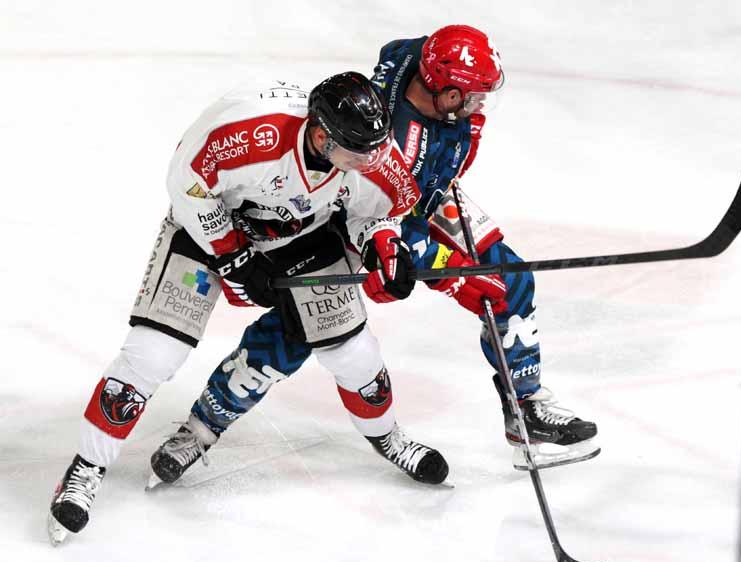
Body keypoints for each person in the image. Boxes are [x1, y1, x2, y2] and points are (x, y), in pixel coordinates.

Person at [148, 25, 599, 484]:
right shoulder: (398, 144)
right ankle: (203, 426)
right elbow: (390, 222)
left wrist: (448, 153)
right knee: (298, 329)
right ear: (446, 94)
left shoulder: (421, 68)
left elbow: (406, 51)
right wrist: (455, 276)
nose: (480, 107)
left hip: (424, 196)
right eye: (473, 98)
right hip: (361, 221)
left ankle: (527, 408)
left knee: (513, 279)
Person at [48, 72, 445, 546]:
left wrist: (383, 245)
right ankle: (86, 467)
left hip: (302, 235)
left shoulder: (369, 150)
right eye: (358, 154)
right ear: (321, 136)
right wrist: (231, 252)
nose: (372, 162)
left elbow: (378, 211)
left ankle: (388, 437)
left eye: (374, 150)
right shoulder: (251, 135)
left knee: (354, 354)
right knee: (153, 353)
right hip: (209, 228)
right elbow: (188, 182)